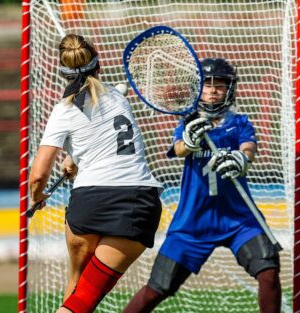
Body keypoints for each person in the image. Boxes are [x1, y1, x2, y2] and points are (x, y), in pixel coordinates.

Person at [122, 58, 281, 313]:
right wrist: (190, 141)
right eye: (208, 85)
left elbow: (249, 146)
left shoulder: (238, 122)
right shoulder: (189, 122)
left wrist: (242, 158)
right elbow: (178, 148)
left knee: (269, 272)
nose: (213, 90)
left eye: (219, 85)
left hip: (239, 220)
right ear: (198, 88)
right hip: (193, 223)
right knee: (157, 288)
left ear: (230, 89)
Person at [28, 34, 162, 313]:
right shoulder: (117, 97)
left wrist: (38, 196)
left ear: (62, 72)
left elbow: (38, 175)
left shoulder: (63, 110)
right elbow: (108, 141)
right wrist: (73, 157)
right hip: (136, 202)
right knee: (83, 300)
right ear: (98, 67)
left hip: (88, 204)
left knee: (77, 292)